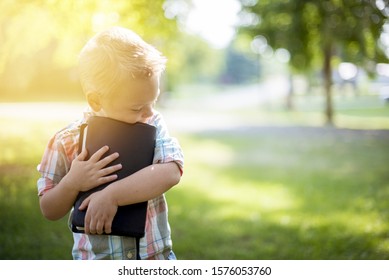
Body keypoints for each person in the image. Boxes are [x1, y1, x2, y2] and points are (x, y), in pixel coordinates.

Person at [36, 26, 184, 260]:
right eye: (136, 107)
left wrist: (111, 195)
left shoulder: (153, 125)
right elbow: (49, 209)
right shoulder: (66, 141)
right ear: (96, 101)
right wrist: (73, 182)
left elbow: (171, 172)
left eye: (153, 101)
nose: (148, 112)